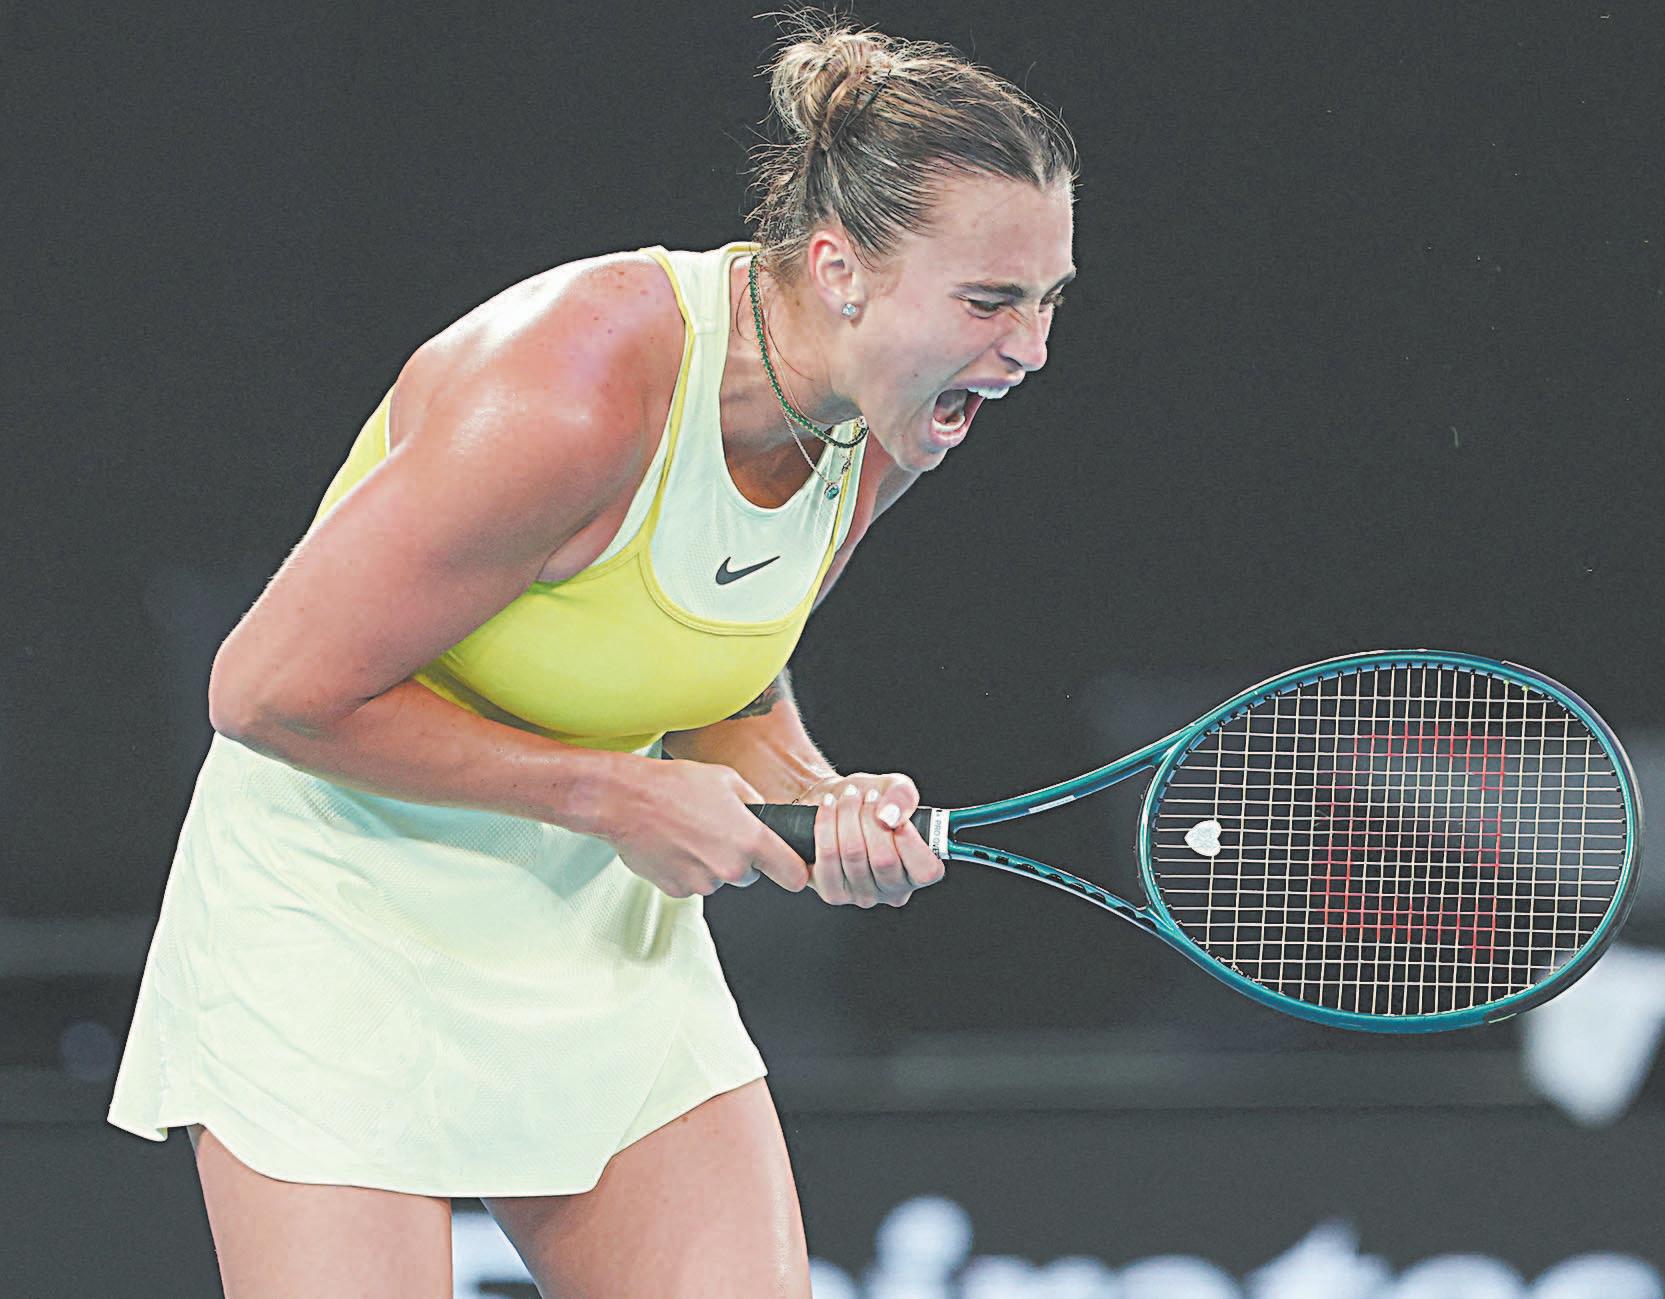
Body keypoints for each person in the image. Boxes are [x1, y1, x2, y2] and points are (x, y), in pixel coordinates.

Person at [107, 9, 1078, 1296]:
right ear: (840, 268)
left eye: (1048, 301)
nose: (1030, 349)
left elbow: (719, 674)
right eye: (990, 302)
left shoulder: (882, 425)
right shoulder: (574, 389)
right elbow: (265, 692)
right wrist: (618, 794)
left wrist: (812, 793)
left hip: (591, 933)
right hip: (335, 916)